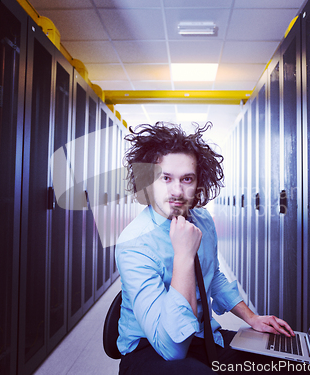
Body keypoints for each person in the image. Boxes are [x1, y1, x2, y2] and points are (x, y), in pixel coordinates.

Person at [115, 122, 295, 375]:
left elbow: (214, 277)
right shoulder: (134, 243)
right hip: (150, 349)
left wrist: (251, 318)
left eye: (187, 179)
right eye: (165, 178)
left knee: (299, 361)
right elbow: (171, 349)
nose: (177, 191)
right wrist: (183, 256)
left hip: (204, 337)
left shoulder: (202, 220)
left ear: (199, 181)